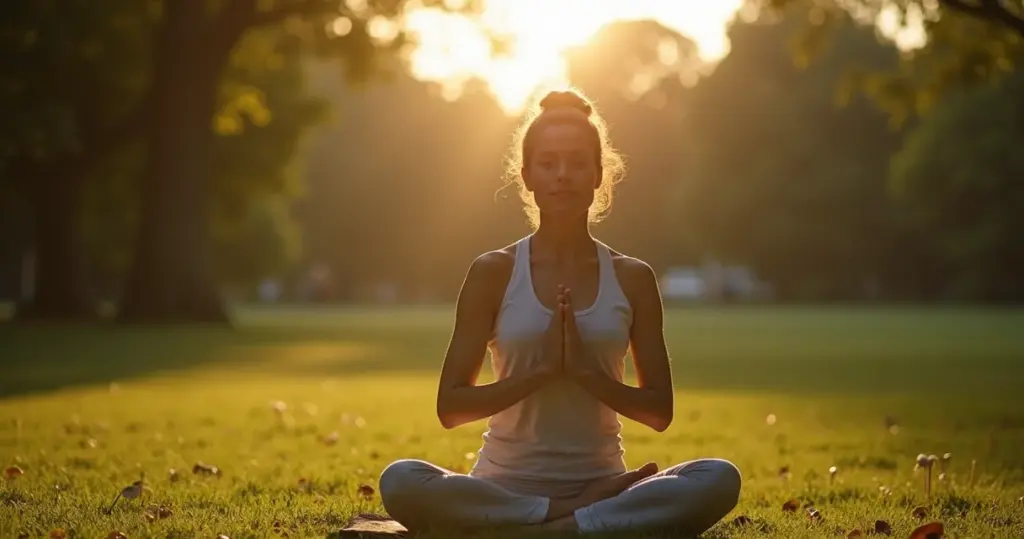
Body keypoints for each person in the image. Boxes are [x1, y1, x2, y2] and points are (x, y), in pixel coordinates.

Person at [378, 88, 741, 535]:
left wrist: (586, 372)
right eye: (548, 164)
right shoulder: (494, 271)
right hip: (503, 486)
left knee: (718, 477)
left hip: (604, 482)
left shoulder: (632, 277)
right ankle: (574, 518)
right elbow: (451, 407)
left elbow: (658, 412)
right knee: (400, 479)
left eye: (577, 163)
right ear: (527, 176)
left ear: (598, 175)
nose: (563, 175)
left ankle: (535, 528)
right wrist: (541, 371)